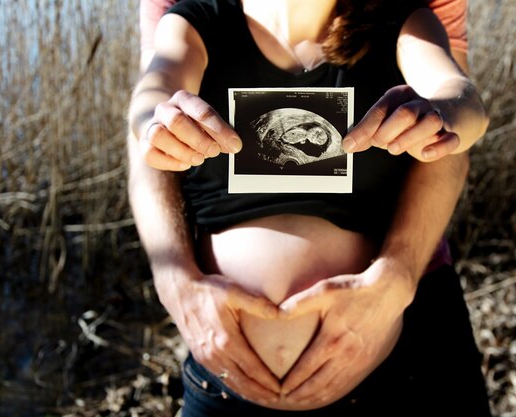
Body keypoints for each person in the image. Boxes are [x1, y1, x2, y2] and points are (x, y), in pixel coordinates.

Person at [126, 0, 491, 415]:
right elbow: (153, 88)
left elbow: (462, 97)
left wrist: (442, 114)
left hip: (384, 369)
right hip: (228, 385)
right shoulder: (196, 20)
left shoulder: (401, 20)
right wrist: (156, 122)